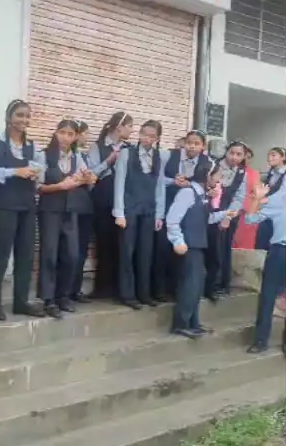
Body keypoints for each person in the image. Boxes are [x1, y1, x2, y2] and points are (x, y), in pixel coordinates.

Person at [0, 99, 45, 321]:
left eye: (27, 116)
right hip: (3, 207)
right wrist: (14, 172)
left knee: (25, 256)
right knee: (0, 256)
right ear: (9, 118)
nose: (23, 120)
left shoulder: (34, 147)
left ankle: (20, 302)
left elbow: (40, 173)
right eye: (19, 115)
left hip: (27, 206)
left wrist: (36, 174)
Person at [165, 172, 236, 339]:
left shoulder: (201, 195)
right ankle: (180, 324)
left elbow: (207, 219)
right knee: (189, 286)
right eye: (217, 176)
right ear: (208, 176)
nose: (219, 181)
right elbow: (172, 219)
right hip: (188, 246)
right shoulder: (187, 193)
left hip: (198, 245)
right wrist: (177, 241)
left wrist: (225, 214)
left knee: (196, 286)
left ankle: (193, 323)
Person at [37, 120, 93, 318]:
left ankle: (63, 295)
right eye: (62, 132)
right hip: (50, 210)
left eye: (70, 134)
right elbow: (39, 187)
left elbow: (87, 179)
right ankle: (48, 299)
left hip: (71, 210)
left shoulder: (78, 157)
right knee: (49, 255)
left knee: (70, 254)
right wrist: (60, 186)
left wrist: (88, 178)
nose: (66, 138)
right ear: (56, 133)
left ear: (76, 136)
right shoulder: (44, 155)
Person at [154, 129, 212, 302]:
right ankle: (159, 290)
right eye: (189, 143)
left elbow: (207, 186)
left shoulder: (208, 163)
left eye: (196, 144)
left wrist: (190, 184)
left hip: (190, 212)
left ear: (203, 146)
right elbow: (157, 179)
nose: (192, 147)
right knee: (163, 248)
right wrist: (173, 181)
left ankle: (177, 290)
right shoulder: (170, 156)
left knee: (183, 253)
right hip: (168, 206)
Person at [113, 120, 166, 310]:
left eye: (151, 136)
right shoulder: (127, 153)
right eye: (144, 133)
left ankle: (144, 293)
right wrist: (119, 212)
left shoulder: (159, 157)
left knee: (146, 252)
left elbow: (160, 187)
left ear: (157, 138)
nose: (146, 138)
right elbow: (119, 183)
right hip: (129, 209)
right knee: (128, 251)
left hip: (149, 210)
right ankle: (127, 294)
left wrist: (159, 214)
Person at [88, 111, 133, 299]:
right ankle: (102, 287)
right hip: (103, 199)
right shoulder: (97, 147)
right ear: (118, 127)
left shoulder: (130, 148)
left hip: (122, 201)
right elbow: (90, 175)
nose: (131, 130)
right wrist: (109, 161)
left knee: (121, 244)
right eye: (129, 126)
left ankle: (119, 287)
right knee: (104, 243)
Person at [246, 169, 286, 354]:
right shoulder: (276, 201)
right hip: (279, 251)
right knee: (268, 296)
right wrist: (256, 199)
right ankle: (260, 340)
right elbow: (250, 219)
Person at [205, 141, 249, 301]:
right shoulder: (214, 166)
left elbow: (239, 198)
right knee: (212, 250)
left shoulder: (242, 173)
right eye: (232, 153)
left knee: (224, 250)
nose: (234, 157)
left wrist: (228, 217)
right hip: (212, 214)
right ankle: (209, 286)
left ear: (244, 156)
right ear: (226, 152)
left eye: (239, 154)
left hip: (230, 216)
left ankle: (222, 285)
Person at [68, 121, 98, 303]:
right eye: (85, 133)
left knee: (81, 251)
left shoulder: (86, 157)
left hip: (86, 206)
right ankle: (63, 290)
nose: (87, 137)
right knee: (69, 251)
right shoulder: (67, 156)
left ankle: (75, 289)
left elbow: (92, 179)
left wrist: (89, 178)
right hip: (71, 207)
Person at [254, 147, 286, 251]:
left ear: (283, 157)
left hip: (279, 214)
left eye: (273, 155)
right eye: (269, 155)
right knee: (261, 243)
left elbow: (282, 194)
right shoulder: (270, 174)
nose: (269, 157)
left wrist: (263, 201)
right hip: (266, 214)